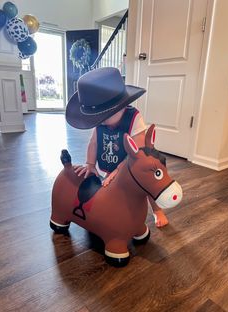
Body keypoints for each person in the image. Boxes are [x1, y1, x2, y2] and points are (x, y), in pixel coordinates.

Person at [66, 67, 168, 227]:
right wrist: (90, 164)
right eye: (98, 118)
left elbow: (137, 154)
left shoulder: (134, 119)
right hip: (105, 165)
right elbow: (93, 142)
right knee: (105, 191)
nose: (101, 121)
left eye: (105, 116)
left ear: (121, 105)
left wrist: (118, 170)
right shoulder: (100, 121)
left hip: (130, 164)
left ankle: (157, 210)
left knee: (146, 184)